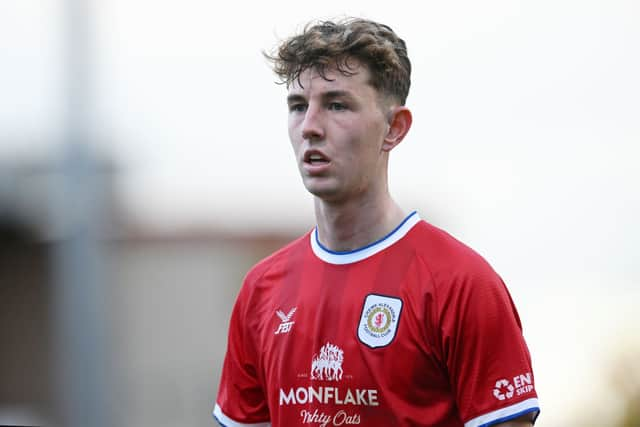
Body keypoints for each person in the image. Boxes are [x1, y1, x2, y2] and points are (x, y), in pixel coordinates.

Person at [213, 17, 540, 427]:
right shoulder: (262, 290)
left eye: (336, 104)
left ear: (394, 129)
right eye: (298, 106)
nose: (311, 127)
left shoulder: (462, 284)